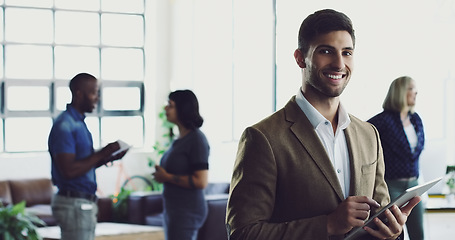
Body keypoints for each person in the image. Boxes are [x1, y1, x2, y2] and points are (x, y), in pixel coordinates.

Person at [226, 9, 421, 240]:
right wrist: (327, 224)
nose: (339, 63)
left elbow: (379, 215)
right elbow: (243, 234)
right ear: (300, 58)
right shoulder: (263, 138)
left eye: (347, 53)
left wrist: (393, 231)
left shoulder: (369, 134)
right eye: (326, 51)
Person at [48, 72, 128, 240]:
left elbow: (81, 165)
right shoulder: (65, 126)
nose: (97, 98)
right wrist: (103, 152)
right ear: (79, 93)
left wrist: (106, 158)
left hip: (82, 203)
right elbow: (68, 171)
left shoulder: (79, 124)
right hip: (74, 204)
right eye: (94, 92)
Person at [368, 76, 425, 240]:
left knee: (418, 233)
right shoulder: (382, 121)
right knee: (393, 233)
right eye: (412, 89)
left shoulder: (415, 119)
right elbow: (362, 137)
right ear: (400, 92)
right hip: (391, 186)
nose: (416, 92)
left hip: (414, 185)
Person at [152, 89, 210, 240]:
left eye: (170, 105)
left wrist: (167, 177)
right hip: (174, 210)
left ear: (182, 108)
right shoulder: (178, 139)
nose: (165, 108)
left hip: (187, 211)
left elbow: (201, 181)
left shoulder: (197, 140)